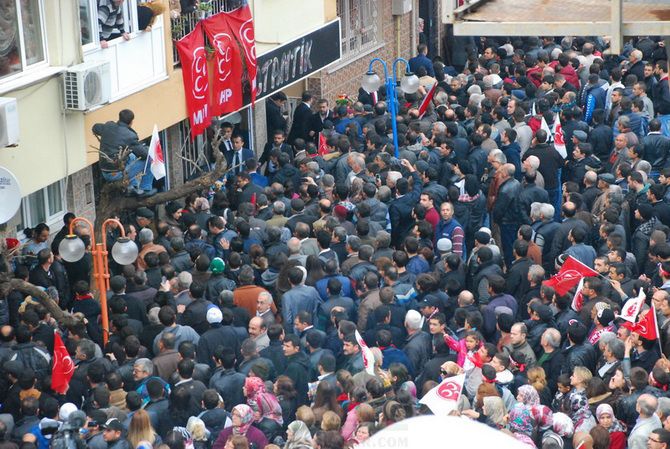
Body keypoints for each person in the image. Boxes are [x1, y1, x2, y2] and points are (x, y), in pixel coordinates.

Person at [93, 109, 156, 196]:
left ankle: (131, 188)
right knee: (150, 159)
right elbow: (144, 155)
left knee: (132, 156)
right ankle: (145, 190)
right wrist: (147, 149)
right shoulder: (130, 135)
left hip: (104, 172)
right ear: (131, 122)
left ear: (119, 118)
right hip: (116, 174)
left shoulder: (108, 126)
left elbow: (95, 127)